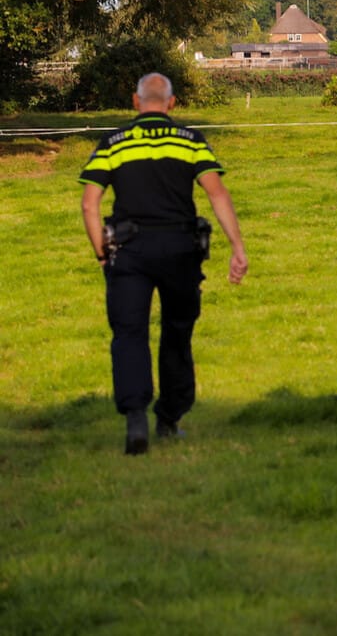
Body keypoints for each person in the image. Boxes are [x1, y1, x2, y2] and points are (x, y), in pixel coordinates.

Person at [78, 72, 249, 455]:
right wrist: (238, 246)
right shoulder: (190, 141)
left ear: (136, 103)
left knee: (129, 333)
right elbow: (217, 193)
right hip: (180, 249)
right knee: (177, 332)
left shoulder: (114, 143)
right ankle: (170, 419)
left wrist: (100, 252)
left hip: (129, 249)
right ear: (172, 104)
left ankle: (135, 419)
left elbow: (90, 203)